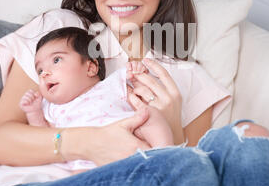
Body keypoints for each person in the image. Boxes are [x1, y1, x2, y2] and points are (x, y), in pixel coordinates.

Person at [0, 0, 269, 186]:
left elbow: (194, 177)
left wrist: (173, 130)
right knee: (183, 166)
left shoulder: (188, 77)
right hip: (41, 185)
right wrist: (89, 143)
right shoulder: (61, 33)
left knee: (251, 139)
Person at [19, 26, 174, 174]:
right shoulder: (51, 107)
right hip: (88, 165)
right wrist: (34, 113)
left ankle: (166, 157)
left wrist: (137, 72)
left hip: (131, 141)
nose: (44, 73)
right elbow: (45, 138)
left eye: (56, 60)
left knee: (149, 114)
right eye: (39, 70)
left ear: (91, 67)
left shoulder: (111, 85)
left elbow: (140, 98)